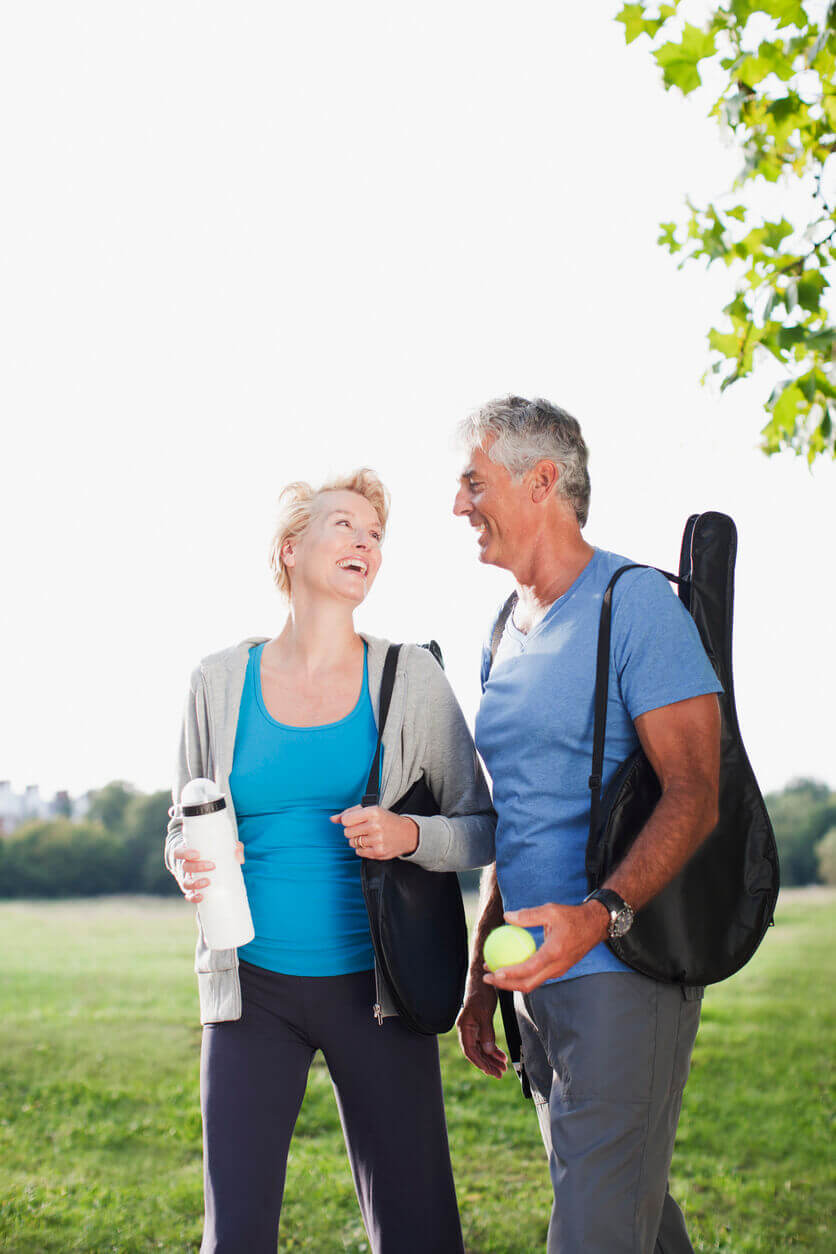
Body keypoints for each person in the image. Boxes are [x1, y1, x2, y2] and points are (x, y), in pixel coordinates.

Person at [164, 469, 495, 1254]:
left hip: (379, 991)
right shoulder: (217, 681)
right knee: (235, 1236)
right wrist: (186, 859)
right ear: (290, 549)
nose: (365, 544)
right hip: (251, 991)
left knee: (418, 1234)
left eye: (375, 535)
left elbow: (481, 827)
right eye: (345, 526)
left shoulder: (408, 676)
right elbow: (180, 822)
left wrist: (409, 837)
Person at [453, 396, 723, 1254]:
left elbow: (695, 793)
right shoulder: (503, 630)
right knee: (623, 1206)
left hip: (621, 968)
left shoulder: (633, 604)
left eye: (473, 482)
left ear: (542, 482)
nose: (459, 505)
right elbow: (518, 814)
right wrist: (479, 964)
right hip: (535, 975)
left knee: (596, 1226)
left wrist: (597, 916)